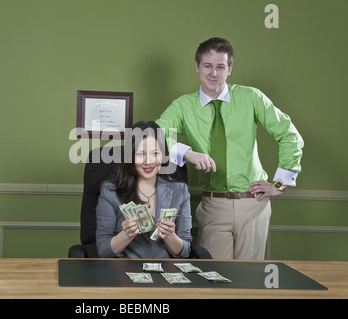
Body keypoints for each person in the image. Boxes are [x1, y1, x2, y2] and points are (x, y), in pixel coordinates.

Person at [156, 37, 304, 260]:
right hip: (213, 204)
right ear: (197, 67)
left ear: (230, 69)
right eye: (207, 66)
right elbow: (153, 134)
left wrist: (280, 184)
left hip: (253, 204)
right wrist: (187, 153)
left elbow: (289, 134)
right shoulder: (183, 106)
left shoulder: (251, 98)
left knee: (249, 281)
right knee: (214, 279)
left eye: (220, 67)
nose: (213, 73)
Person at [96, 121, 193, 258]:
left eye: (155, 153)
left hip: (166, 272)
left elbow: (185, 251)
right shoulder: (110, 191)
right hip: (124, 272)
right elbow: (102, 250)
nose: (148, 161)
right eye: (141, 154)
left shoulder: (180, 191)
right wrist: (126, 235)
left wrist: (170, 236)